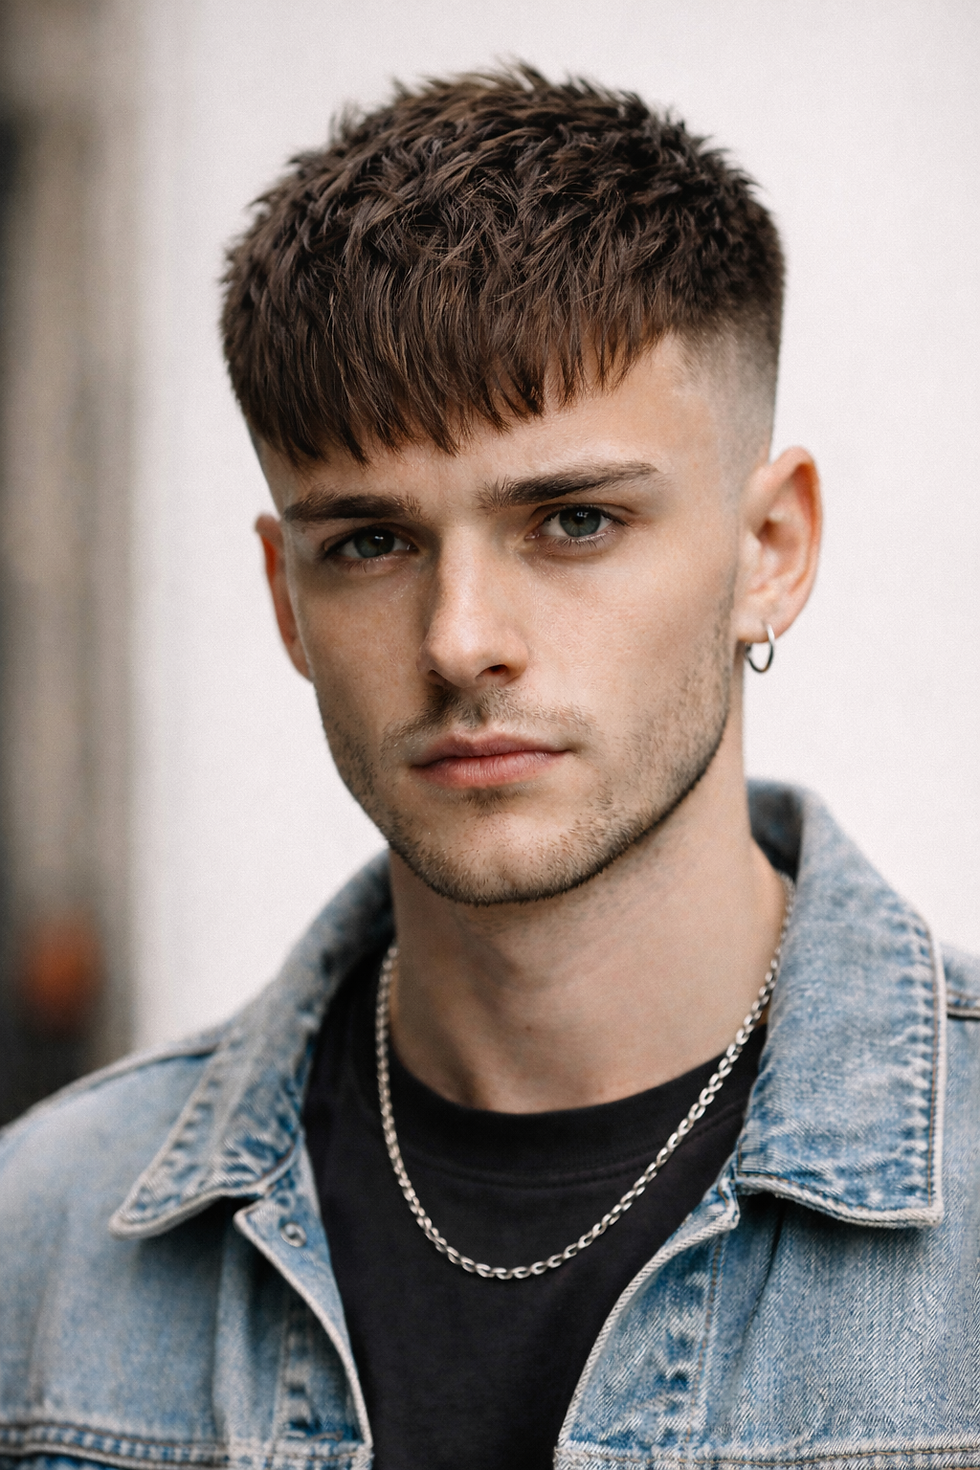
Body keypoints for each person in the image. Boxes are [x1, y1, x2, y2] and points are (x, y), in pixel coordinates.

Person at [1, 64, 978, 1470]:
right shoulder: (43, 1244)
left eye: (571, 522)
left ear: (771, 552)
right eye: (370, 543)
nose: (462, 642)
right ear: (286, 599)